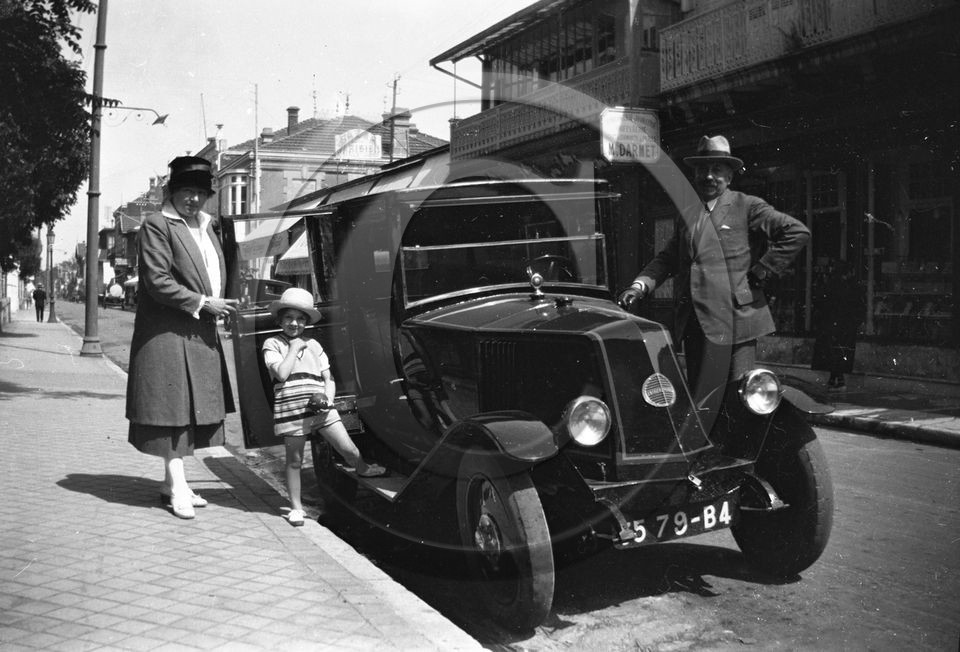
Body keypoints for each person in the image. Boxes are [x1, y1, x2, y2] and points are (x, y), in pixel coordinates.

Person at [619, 135, 810, 397]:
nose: (708, 176)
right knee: (702, 398)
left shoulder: (747, 206)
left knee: (737, 396)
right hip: (695, 324)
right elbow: (668, 258)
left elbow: (796, 231)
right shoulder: (688, 213)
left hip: (735, 321)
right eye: (702, 169)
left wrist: (763, 269)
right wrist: (640, 286)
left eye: (717, 170)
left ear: (729, 176)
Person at [125, 156, 238, 520]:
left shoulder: (207, 227)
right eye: (186, 191)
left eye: (201, 192)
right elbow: (157, 281)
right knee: (172, 411)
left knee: (186, 411)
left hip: (198, 331)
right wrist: (204, 303)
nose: (194, 199)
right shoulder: (158, 225)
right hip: (167, 332)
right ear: (172, 192)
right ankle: (177, 488)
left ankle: (173, 482)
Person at [262, 287, 385, 527]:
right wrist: (294, 348)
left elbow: (329, 379)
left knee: (348, 448)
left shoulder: (315, 346)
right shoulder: (272, 343)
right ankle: (296, 508)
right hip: (292, 411)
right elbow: (282, 373)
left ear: (306, 322)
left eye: (300, 319)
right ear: (280, 320)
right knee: (295, 460)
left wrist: (328, 401)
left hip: (320, 408)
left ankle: (362, 468)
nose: (294, 323)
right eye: (288, 318)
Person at [812, 260, 865, 390]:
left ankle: (834, 379)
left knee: (833, 352)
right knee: (841, 352)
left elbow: (819, 302)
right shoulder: (851, 287)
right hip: (845, 325)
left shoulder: (829, 285)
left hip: (830, 324)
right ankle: (838, 380)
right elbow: (860, 306)